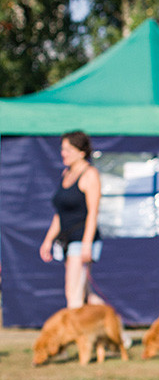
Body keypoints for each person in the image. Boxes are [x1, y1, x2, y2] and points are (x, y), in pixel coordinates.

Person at [39, 130, 103, 308]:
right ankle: (117, 332)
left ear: (81, 152)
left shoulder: (90, 175)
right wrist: (48, 240)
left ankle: (74, 335)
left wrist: (86, 244)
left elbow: (93, 213)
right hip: (66, 240)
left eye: (68, 150)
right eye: (62, 149)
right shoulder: (65, 175)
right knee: (87, 297)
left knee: (73, 294)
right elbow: (60, 213)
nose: (63, 153)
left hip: (82, 241)